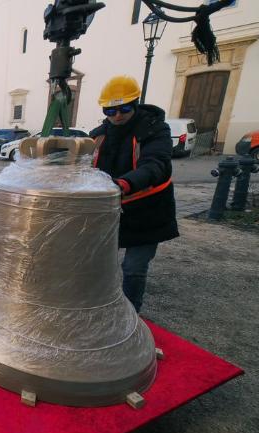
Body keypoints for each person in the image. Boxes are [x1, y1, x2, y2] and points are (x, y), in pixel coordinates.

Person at [89, 75, 178, 313]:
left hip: (148, 211)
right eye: (110, 110)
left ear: (136, 103)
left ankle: (130, 316)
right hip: (111, 212)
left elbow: (156, 165)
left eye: (124, 108)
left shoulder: (154, 130)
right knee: (97, 264)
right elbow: (84, 167)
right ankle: (98, 309)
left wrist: (124, 184)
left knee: (133, 268)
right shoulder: (98, 135)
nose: (117, 115)